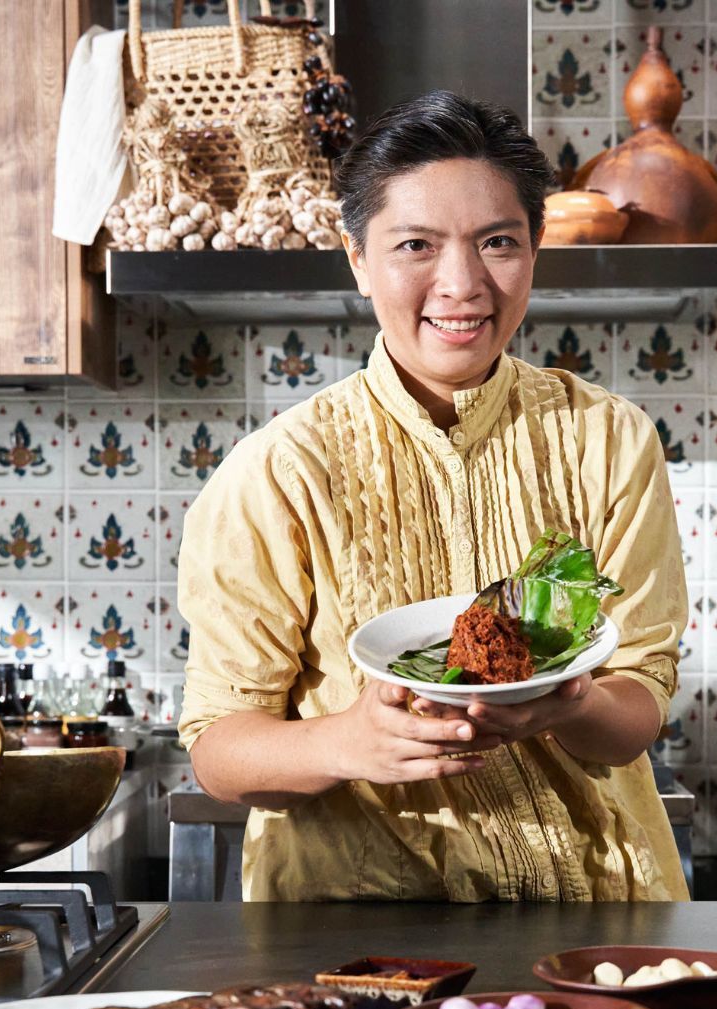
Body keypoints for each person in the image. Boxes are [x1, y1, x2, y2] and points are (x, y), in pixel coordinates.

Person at [175, 90, 688, 901]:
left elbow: (639, 705)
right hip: (357, 936)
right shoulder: (280, 469)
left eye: (497, 243)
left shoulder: (608, 440)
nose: (462, 284)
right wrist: (348, 743)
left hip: (597, 923)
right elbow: (219, 749)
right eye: (416, 244)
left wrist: (567, 704)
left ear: (535, 246)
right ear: (357, 258)